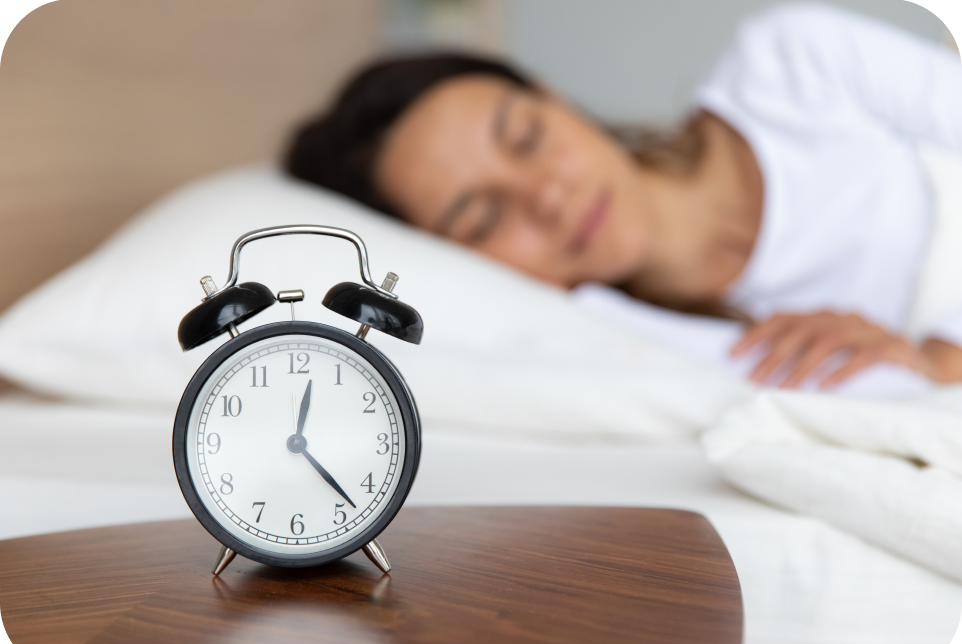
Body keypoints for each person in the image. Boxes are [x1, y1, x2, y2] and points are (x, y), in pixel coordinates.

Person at [284, 2, 962, 388]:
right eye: (485, 217)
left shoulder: (788, 64)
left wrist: (943, 354)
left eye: (526, 137)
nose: (548, 195)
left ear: (554, 98)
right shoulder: (630, 345)